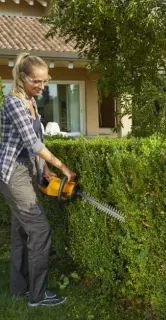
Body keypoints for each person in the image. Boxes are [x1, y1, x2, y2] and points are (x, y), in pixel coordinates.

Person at [0, 53, 76, 307]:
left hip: (30, 171)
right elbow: (31, 143)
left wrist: (44, 169)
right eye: (37, 82)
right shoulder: (14, 103)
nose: (42, 87)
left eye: (45, 82)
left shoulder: (31, 102)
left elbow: (37, 143)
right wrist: (61, 165)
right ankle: (38, 295)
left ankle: (19, 289)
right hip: (15, 173)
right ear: (22, 77)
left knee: (22, 232)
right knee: (40, 230)